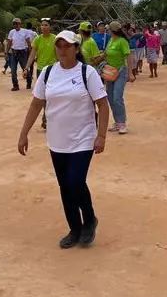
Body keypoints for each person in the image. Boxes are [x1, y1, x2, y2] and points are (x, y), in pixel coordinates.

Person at [17, 30, 110, 249]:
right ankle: (74, 228)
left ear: (76, 49)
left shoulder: (87, 73)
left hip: (83, 138)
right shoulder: (48, 73)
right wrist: (24, 133)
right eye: (59, 46)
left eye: (67, 46)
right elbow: (36, 104)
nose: (62, 50)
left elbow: (103, 104)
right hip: (57, 140)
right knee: (64, 186)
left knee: (75, 182)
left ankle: (89, 220)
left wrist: (101, 135)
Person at [24, 18, 58, 130]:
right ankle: (46, 118)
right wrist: (26, 67)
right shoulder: (37, 40)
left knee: (52, 95)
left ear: (50, 27)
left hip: (53, 70)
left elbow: (58, 55)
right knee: (42, 95)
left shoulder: (55, 39)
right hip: (41, 70)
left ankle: (48, 117)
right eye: (42, 25)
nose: (43, 27)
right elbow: (32, 54)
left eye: (46, 25)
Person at [104, 21, 134, 133]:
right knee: (110, 98)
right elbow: (106, 54)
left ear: (113, 30)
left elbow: (129, 56)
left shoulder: (122, 41)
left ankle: (122, 123)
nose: (107, 31)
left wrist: (131, 73)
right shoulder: (111, 40)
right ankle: (117, 122)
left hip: (121, 72)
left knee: (117, 97)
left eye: (109, 29)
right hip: (110, 72)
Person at [7, 17, 32, 91]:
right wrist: (6, 53)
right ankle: (15, 85)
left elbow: (28, 42)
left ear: (20, 24)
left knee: (25, 68)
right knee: (13, 70)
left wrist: (30, 52)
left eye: (17, 23)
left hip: (23, 53)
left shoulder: (25, 31)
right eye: (14, 24)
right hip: (14, 52)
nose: (16, 25)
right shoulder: (11, 32)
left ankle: (29, 82)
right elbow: (9, 42)